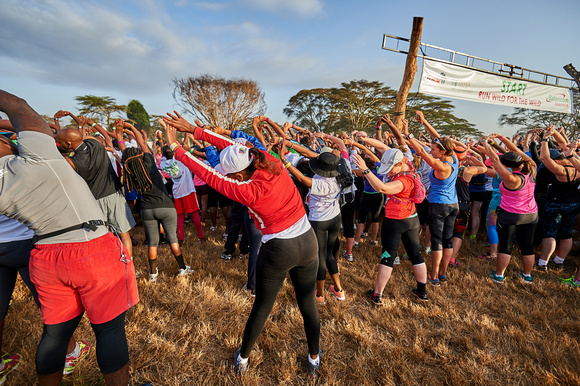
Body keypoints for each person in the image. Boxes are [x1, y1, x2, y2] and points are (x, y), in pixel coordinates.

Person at [163, 112, 322, 377]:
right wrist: (193, 129)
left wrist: (176, 147)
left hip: (279, 249)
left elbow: (208, 173)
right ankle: (314, 358)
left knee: (262, 307)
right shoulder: (271, 161)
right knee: (308, 304)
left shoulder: (245, 189)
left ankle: (244, 358)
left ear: (236, 175)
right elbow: (235, 145)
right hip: (308, 242)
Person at [0, 89, 139, 385]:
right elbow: (17, 106)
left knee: (55, 335)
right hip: (92, 247)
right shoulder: (41, 156)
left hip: (45, 255)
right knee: (109, 331)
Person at [116, 122, 192, 282]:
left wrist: (118, 134)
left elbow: (125, 152)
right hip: (165, 206)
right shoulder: (150, 163)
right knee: (172, 239)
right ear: (140, 154)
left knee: (153, 242)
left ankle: (152, 274)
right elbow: (142, 142)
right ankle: (182, 268)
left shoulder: (130, 170)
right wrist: (130, 127)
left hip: (147, 209)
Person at [353, 146, 429, 303]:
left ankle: (377, 295)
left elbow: (382, 188)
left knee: (387, 256)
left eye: (390, 168)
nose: (388, 172)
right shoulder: (408, 165)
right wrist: (365, 141)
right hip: (412, 218)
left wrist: (366, 171)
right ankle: (422, 292)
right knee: (415, 253)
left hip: (395, 221)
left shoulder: (403, 182)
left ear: (399, 164)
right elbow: (383, 147)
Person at [55, 115, 136, 257]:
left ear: (68, 144)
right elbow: (96, 135)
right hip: (114, 195)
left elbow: (61, 157)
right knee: (124, 234)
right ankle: (129, 266)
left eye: (59, 142)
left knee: (101, 238)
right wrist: (86, 124)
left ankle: (107, 264)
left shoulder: (74, 162)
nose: (58, 143)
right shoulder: (96, 144)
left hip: (94, 201)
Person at [281, 139, 345, 304]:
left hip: (320, 221)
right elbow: (307, 153)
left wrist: (286, 163)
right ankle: (338, 289)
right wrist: (287, 143)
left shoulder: (321, 183)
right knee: (330, 254)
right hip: (335, 217)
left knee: (320, 257)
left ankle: (320, 294)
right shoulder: (339, 172)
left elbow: (303, 179)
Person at [408, 111, 459, 286]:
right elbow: (438, 137)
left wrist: (409, 136)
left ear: (442, 150)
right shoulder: (454, 159)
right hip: (453, 205)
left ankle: (435, 275)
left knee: (437, 241)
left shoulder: (441, 165)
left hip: (439, 205)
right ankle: (444, 273)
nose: (431, 150)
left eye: (434, 149)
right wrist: (424, 121)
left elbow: (421, 151)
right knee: (448, 239)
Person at [483, 134, 538, 284]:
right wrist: (501, 138)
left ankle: (499, 275)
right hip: (531, 214)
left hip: (511, 215)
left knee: (506, 246)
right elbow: (517, 152)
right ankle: (527, 276)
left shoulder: (510, 177)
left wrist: (485, 144)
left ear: (507, 165)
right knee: (526, 245)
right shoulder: (532, 169)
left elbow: (494, 160)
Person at [536, 126, 580, 271]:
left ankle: (543, 263)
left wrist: (544, 139)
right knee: (567, 234)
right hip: (574, 204)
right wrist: (554, 132)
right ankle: (559, 260)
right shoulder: (577, 164)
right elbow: (563, 145)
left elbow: (544, 157)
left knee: (550, 234)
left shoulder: (560, 170)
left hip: (556, 204)